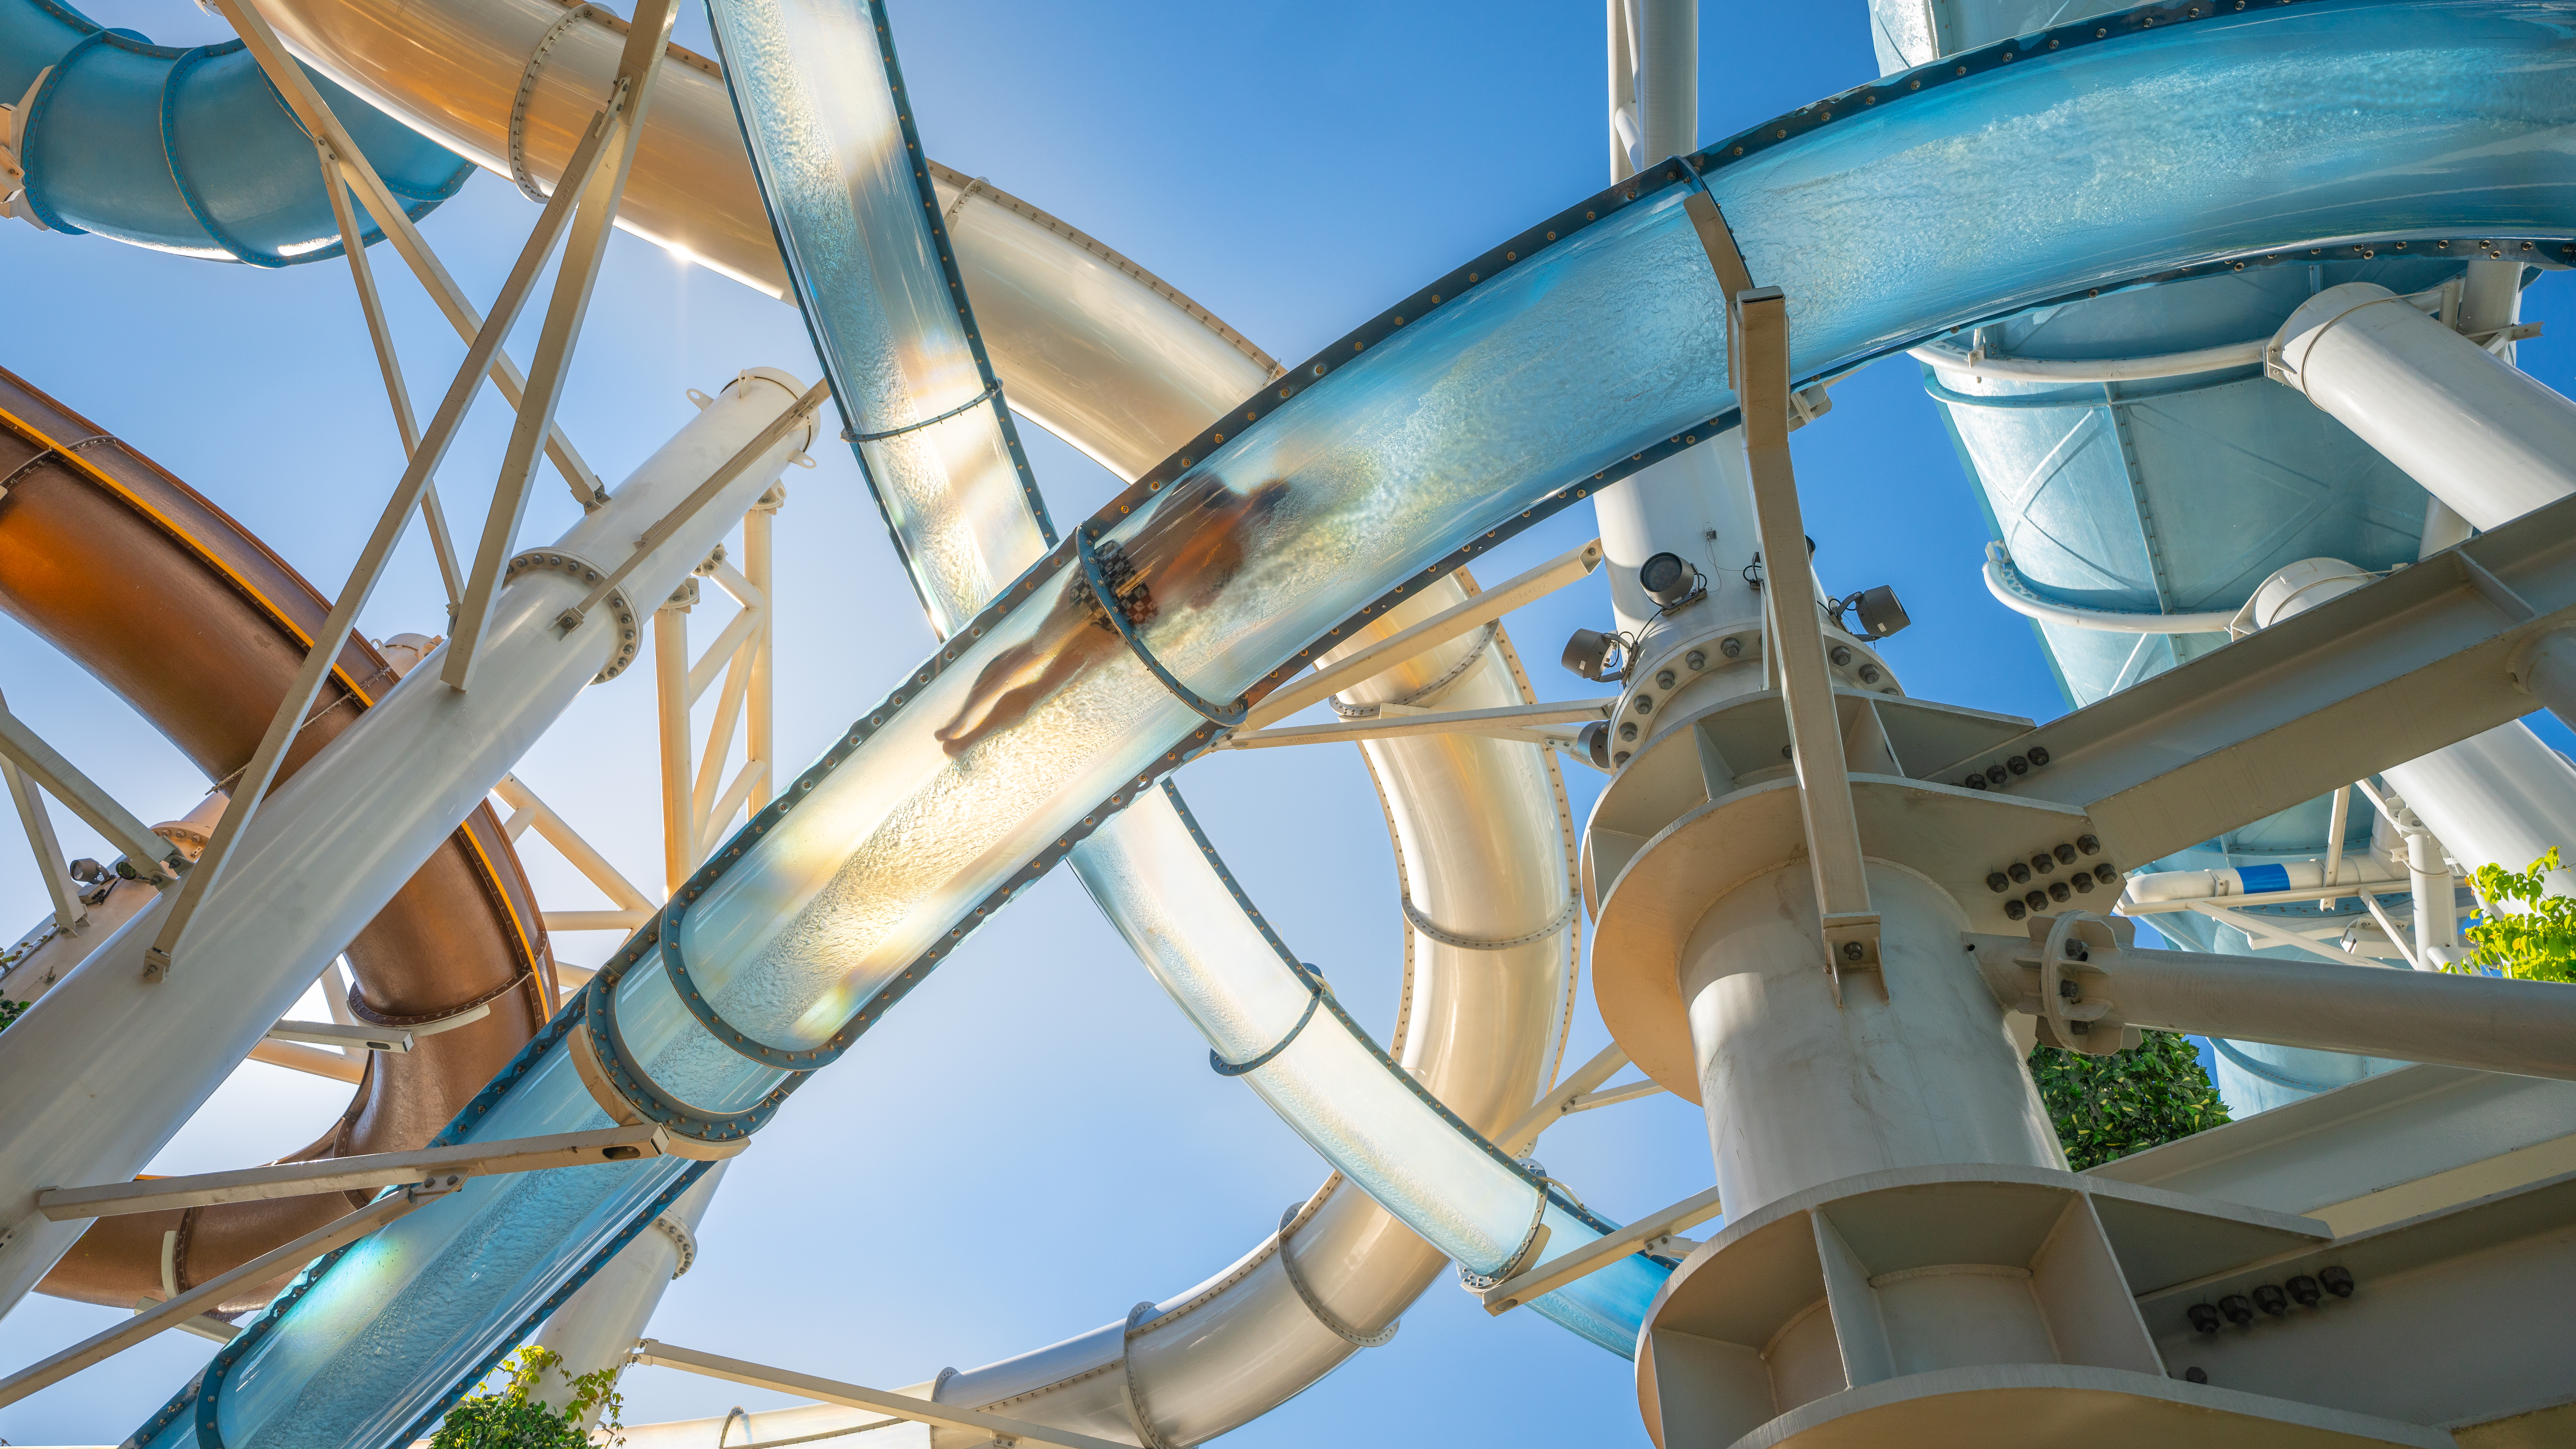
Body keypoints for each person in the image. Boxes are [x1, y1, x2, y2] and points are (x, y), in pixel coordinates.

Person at [935, 476, 1292, 757]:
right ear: (1271, 518)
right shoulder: (1237, 552)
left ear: (1261, 487)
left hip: (1109, 564)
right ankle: (966, 742)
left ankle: (959, 719)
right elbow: (1199, 602)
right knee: (1047, 683)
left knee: (1032, 649)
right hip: (1137, 610)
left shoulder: (1206, 484)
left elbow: (1145, 505)